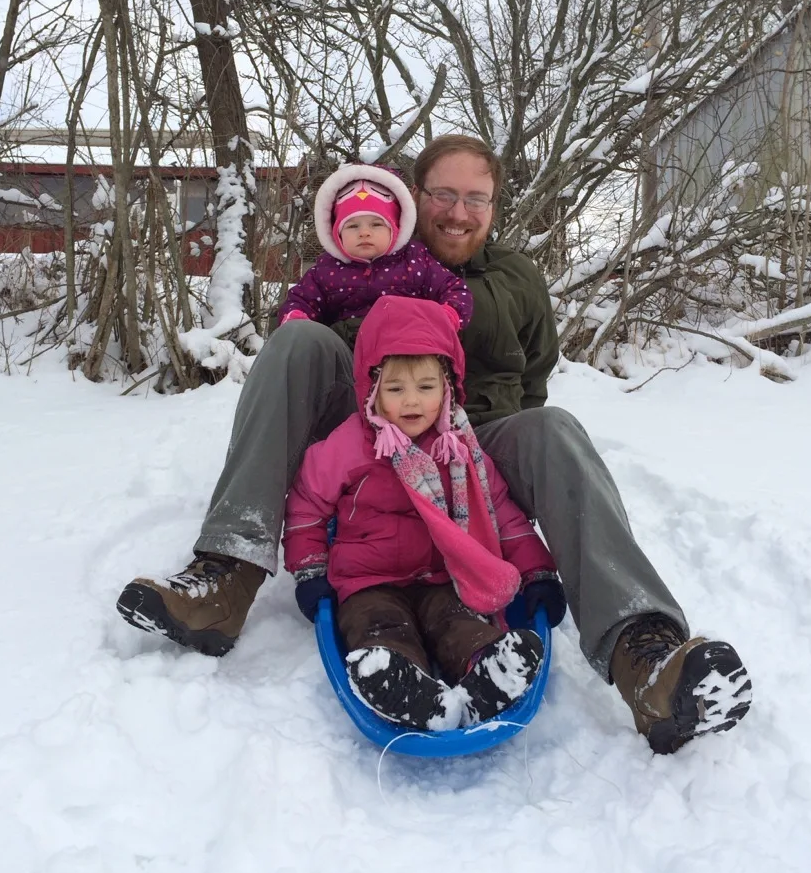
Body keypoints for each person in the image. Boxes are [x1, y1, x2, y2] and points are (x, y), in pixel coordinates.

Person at [117, 135, 752, 755]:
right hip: (370, 432)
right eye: (444, 194)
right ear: (416, 196)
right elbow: (316, 337)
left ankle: (644, 654)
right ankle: (227, 573)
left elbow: (534, 378)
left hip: (478, 439)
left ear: (494, 205)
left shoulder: (517, 278)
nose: (458, 211)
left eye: (476, 198)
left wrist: (494, 475)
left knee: (554, 427)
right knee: (295, 342)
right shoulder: (366, 262)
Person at [283, 295, 564, 729]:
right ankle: (400, 682)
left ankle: (487, 669)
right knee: (379, 627)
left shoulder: (459, 449)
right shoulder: (350, 445)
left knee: (458, 623)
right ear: (372, 389)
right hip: (367, 581)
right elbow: (307, 505)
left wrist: (537, 572)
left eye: (426, 387)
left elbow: (500, 515)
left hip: (442, 577)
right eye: (395, 389)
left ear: (447, 388)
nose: (411, 401)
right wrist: (310, 570)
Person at [276, 160, 473, 334]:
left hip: (406, 345)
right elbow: (300, 300)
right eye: (353, 226)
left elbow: (454, 289)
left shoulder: (415, 260)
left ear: (395, 229)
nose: (364, 232)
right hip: (345, 349)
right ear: (337, 234)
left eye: (376, 224)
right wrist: (296, 319)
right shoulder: (326, 270)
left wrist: (448, 315)